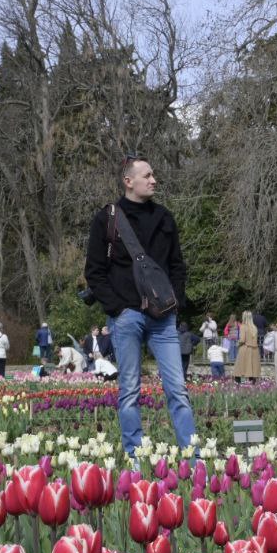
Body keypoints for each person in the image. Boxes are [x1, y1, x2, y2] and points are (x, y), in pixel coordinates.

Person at [83, 155, 196, 456]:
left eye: (153, 175)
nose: (154, 180)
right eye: (147, 175)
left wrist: (176, 303)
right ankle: (135, 456)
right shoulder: (107, 219)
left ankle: (194, 456)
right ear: (128, 180)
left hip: (163, 319)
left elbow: (177, 266)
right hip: (127, 316)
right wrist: (118, 308)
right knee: (129, 390)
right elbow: (94, 271)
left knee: (178, 390)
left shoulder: (165, 218)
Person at [233, 310, 262, 383]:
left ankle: (238, 385)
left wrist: (237, 344)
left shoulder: (243, 327)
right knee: (252, 369)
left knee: (239, 369)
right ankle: (252, 386)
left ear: (244, 317)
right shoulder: (254, 327)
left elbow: (242, 340)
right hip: (254, 349)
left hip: (245, 349)